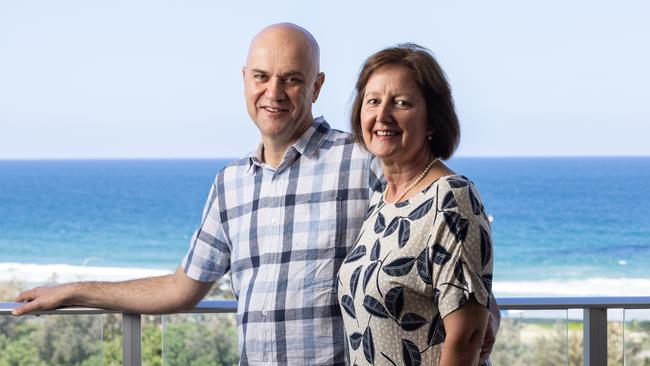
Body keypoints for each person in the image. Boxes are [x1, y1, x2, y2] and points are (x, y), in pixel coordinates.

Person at [13, 24, 498, 365]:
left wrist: (481, 321)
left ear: (317, 86)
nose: (275, 92)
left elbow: (439, 234)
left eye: (291, 78)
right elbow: (183, 287)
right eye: (262, 77)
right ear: (245, 80)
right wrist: (75, 290)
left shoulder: (365, 156)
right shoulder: (230, 184)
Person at [337, 44, 494, 366]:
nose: (382, 116)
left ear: (432, 118)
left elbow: (466, 338)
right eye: (373, 101)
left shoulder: (451, 198)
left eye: (401, 103)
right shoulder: (382, 202)